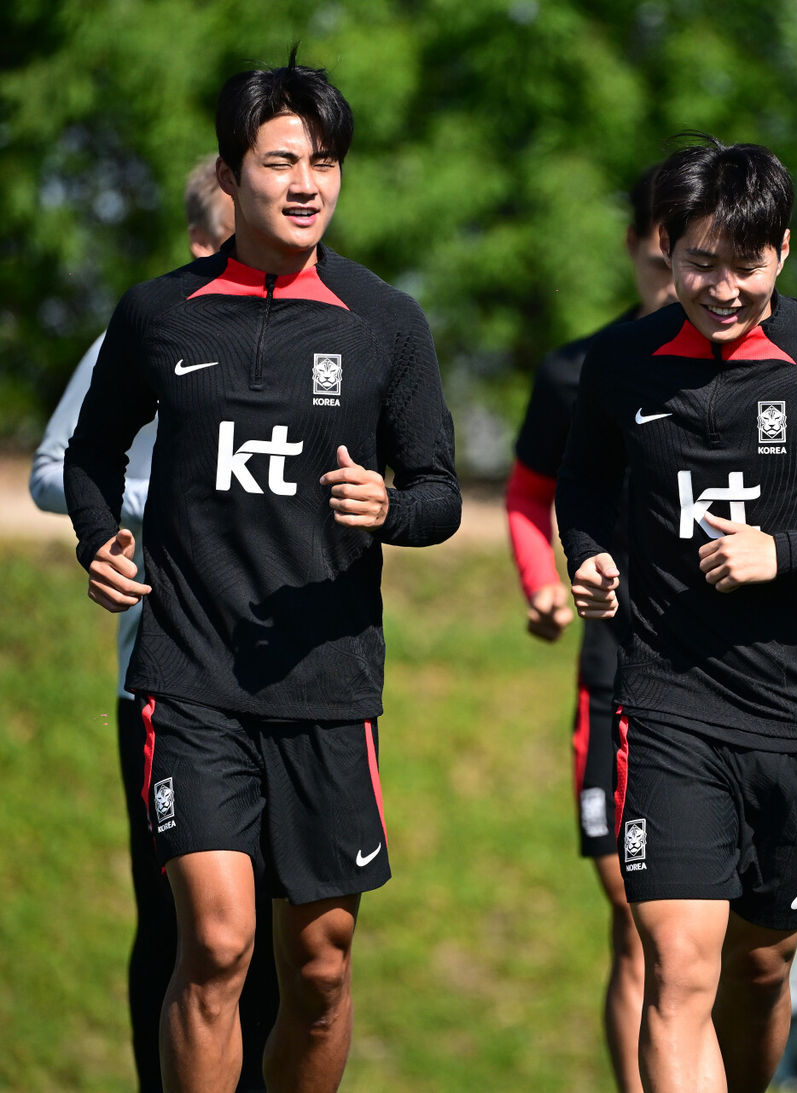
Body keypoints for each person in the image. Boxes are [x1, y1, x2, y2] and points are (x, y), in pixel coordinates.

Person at [63, 51, 461, 1093]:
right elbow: (94, 452)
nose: (304, 183)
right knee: (219, 944)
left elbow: (439, 492)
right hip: (190, 677)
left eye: (324, 162)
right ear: (233, 173)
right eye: (280, 160)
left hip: (328, 687)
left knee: (319, 967)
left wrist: (391, 508)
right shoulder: (159, 313)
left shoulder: (387, 323)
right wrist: (98, 538)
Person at [555, 134, 797, 1093]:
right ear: (665, 246)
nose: (721, 285)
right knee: (678, 968)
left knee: (762, 963)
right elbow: (581, 486)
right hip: (665, 705)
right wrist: (591, 558)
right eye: (698, 261)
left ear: (779, 251)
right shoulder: (618, 365)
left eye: (744, 264)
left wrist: (788, 553)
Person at [31, 154, 279, 1093]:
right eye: (232, 238)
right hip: (164, 678)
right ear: (200, 236)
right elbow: (53, 468)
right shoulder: (145, 329)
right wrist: (155, 495)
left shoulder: (311, 336)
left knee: (282, 933)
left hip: (283, 680)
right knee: (184, 927)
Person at [505, 164, 676, 1093]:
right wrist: (544, 580)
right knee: (636, 912)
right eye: (659, 232)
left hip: (732, 676)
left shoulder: (771, 370)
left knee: (708, 936)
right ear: (638, 241)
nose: (670, 251)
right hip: (614, 671)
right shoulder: (578, 370)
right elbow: (530, 492)